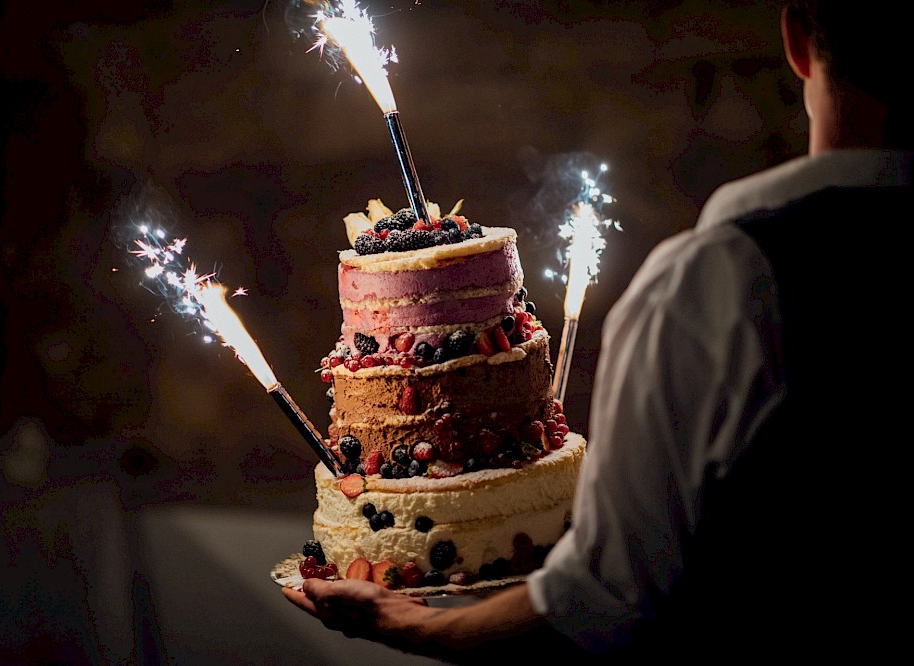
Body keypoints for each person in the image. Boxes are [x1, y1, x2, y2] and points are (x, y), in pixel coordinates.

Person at [284, 2, 913, 659]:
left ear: (797, 40)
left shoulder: (717, 286)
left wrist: (407, 623)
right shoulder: (720, 282)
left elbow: (608, 604)